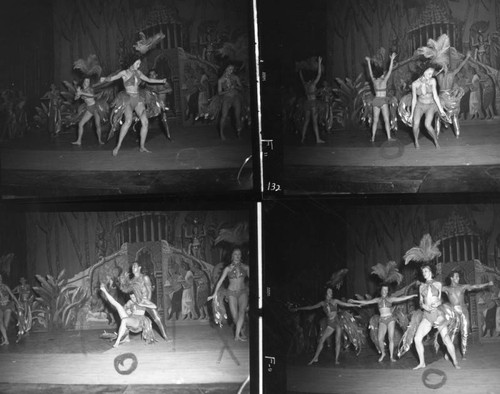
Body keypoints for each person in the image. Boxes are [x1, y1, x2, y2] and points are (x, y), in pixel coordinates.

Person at [100, 55, 167, 156]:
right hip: (127, 99)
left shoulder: (138, 73)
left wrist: (161, 81)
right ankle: (118, 146)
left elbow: (149, 79)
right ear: (132, 63)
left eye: (139, 63)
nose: (139, 65)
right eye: (137, 63)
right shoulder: (124, 73)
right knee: (128, 121)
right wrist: (105, 79)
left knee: (145, 121)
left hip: (138, 99)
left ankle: (142, 147)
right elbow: (113, 78)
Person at [292, 288, 360, 365]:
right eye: (329, 291)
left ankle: (336, 360)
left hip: (337, 322)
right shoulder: (322, 303)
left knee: (337, 341)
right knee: (321, 340)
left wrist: (356, 304)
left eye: (331, 291)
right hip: (330, 324)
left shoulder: (335, 301)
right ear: (326, 293)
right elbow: (311, 307)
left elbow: (346, 304)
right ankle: (315, 358)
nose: (331, 292)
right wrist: (298, 308)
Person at [349, 285, 417, 362]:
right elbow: (367, 302)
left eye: (386, 290)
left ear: (387, 291)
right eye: (383, 290)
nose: (385, 291)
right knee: (380, 339)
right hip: (382, 320)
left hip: (390, 319)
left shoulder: (390, 299)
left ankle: (391, 357)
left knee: (390, 338)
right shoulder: (378, 300)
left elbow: (401, 298)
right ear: (381, 291)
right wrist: (355, 301)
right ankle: (383, 353)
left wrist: (413, 295)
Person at [413, 264, 460, 369]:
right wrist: (424, 306)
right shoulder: (421, 286)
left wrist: (438, 303)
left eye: (426, 271)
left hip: (438, 314)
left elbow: (439, 299)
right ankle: (422, 363)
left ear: (431, 272)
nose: (424, 273)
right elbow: (420, 302)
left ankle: (455, 362)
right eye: (423, 272)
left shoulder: (438, 284)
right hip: (427, 315)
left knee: (446, 339)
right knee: (417, 338)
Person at [442, 271, 493, 359]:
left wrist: (487, 284)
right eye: (456, 276)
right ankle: (448, 352)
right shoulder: (446, 288)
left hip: (463, 311)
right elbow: (435, 288)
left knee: (465, 332)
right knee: (453, 332)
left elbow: (475, 286)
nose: (458, 278)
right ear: (451, 278)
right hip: (454, 311)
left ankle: (464, 354)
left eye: (458, 276)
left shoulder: (462, 287)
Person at [209, 248, 249, 341]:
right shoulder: (227, 269)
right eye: (235, 254)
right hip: (231, 293)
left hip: (242, 292)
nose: (237, 256)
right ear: (232, 256)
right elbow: (219, 282)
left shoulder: (246, 267)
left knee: (242, 311)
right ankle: (241, 331)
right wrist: (214, 293)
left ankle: (237, 335)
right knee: (235, 316)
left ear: (241, 256)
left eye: (239, 254)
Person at [100, 283, 156, 347]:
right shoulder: (130, 302)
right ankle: (104, 291)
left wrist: (142, 305)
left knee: (124, 320)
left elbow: (154, 306)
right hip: (131, 317)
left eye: (134, 297)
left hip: (139, 321)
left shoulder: (143, 300)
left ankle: (117, 342)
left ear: (137, 295)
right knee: (118, 306)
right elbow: (124, 309)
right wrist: (128, 311)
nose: (133, 298)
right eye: (131, 297)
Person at [128, 262, 170, 340]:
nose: (133, 268)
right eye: (132, 267)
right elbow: (131, 293)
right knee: (127, 316)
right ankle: (124, 337)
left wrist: (147, 302)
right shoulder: (132, 281)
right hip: (137, 302)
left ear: (139, 268)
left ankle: (165, 336)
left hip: (145, 301)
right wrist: (133, 303)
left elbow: (149, 290)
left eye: (135, 267)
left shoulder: (145, 277)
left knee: (157, 318)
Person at [434, 52, 470, 138]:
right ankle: (457, 134)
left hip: (441, 99)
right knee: (454, 116)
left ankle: (437, 135)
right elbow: (460, 66)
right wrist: (467, 57)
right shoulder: (452, 74)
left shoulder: (438, 75)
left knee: (437, 117)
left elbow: (430, 71)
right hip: (450, 99)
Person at [410, 66, 447, 149]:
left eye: (431, 74)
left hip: (430, 105)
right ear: (423, 71)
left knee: (427, 125)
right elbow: (414, 100)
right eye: (429, 73)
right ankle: (416, 140)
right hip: (419, 105)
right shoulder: (415, 84)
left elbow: (436, 96)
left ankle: (436, 141)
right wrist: (411, 114)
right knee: (415, 124)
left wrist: (441, 110)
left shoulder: (432, 81)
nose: (430, 76)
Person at [365, 52, 397, 142]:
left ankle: (373, 137)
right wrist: (391, 60)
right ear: (382, 74)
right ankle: (389, 137)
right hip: (383, 101)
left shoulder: (374, 81)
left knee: (375, 121)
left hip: (375, 101)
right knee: (386, 120)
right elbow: (390, 70)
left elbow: (370, 73)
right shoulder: (384, 81)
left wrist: (368, 62)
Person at [298, 56, 325, 144]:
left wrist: (300, 70)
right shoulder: (313, 84)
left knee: (306, 121)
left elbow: (301, 78)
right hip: (313, 103)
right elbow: (319, 74)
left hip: (307, 103)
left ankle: (302, 138)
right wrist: (320, 64)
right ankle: (317, 139)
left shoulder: (305, 85)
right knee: (314, 122)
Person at [72, 78, 104, 145]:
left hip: (95, 107)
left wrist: (81, 93)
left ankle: (100, 140)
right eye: (86, 81)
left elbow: (92, 95)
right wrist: (78, 93)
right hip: (89, 108)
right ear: (83, 82)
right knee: (80, 124)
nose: (88, 83)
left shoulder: (90, 89)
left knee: (97, 125)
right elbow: (75, 99)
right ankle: (79, 141)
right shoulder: (82, 90)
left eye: (89, 81)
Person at [218, 64, 243, 140]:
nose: (230, 71)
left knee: (237, 116)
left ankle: (239, 133)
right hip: (227, 98)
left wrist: (235, 86)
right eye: (229, 69)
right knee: (224, 116)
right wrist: (227, 90)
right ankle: (221, 133)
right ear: (226, 69)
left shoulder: (235, 77)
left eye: (232, 69)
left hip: (235, 97)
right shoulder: (221, 80)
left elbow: (241, 88)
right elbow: (219, 93)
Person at [0, 274, 19, 345]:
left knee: (5, 324)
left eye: (0, 278)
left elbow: (12, 295)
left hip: (7, 306)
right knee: (0, 323)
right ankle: (6, 340)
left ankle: (3, 337)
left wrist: (18, 304)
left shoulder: (5, 287)